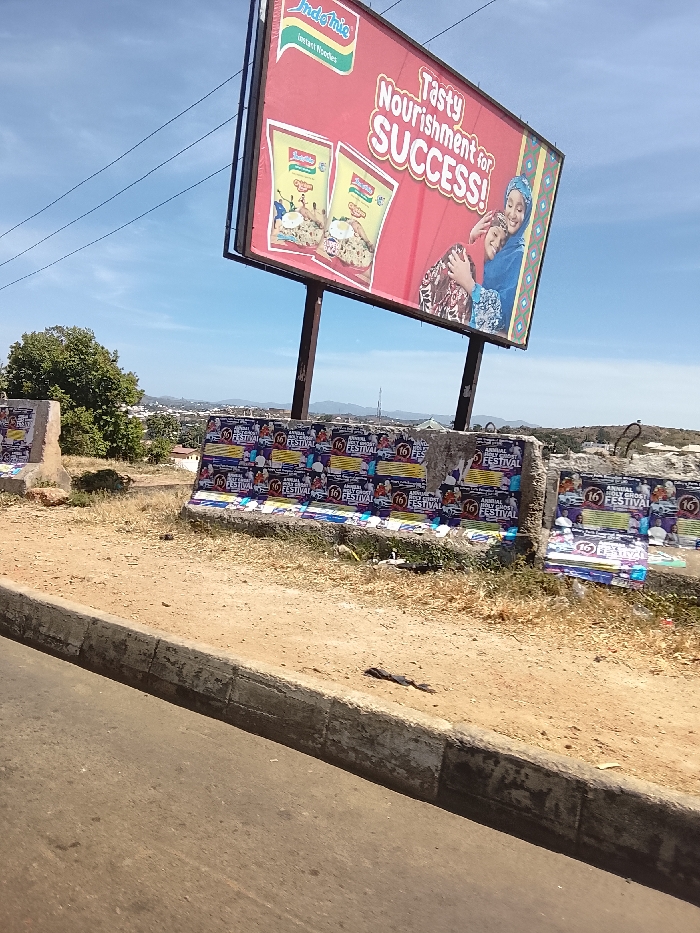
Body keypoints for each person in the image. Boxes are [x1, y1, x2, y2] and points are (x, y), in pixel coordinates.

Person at [448, 176, 533, 336]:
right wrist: (474, 241)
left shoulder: (519, 256)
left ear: (526, 215)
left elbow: (502, 314)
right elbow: (478, 271)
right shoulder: (500, 242)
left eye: (520, 209)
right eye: (509, 205)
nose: (512, 214)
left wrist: (470, 285)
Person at [418, 212, 508, 326]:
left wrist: (470, 285)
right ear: (485, 230)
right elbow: (428, 288)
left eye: (502, 243)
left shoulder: (489, 275)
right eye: (495, 234)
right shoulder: (460, 253)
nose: (497, 244)